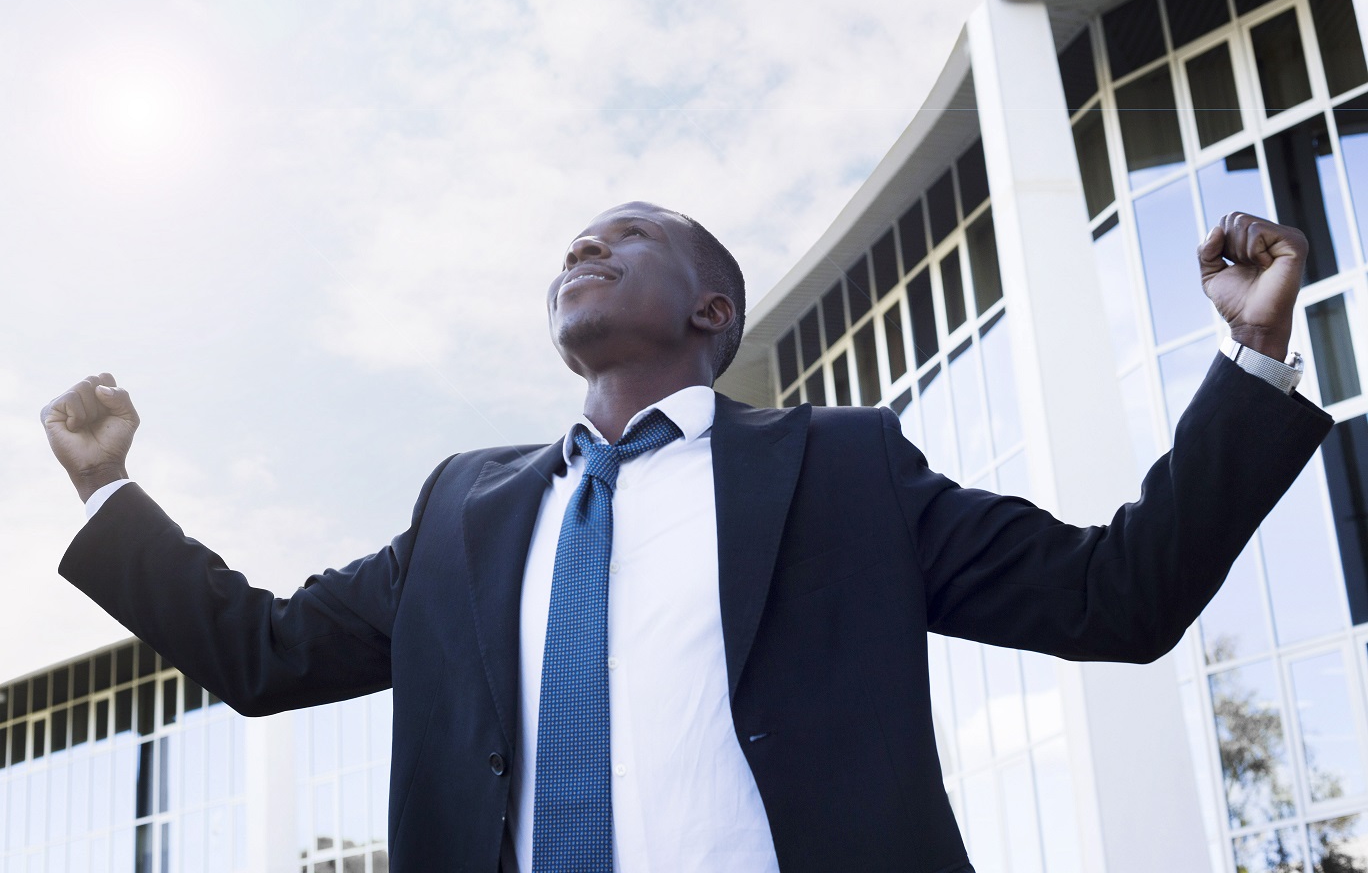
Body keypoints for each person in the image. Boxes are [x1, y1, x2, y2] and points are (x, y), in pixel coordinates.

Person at [43, 201, 1333, 872]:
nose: (584, 245)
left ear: (710, 307)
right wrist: (110, 493)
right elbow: (266, 656)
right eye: (572, 244)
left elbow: (1118, 594)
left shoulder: (842, 472)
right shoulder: (461, 511)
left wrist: (1254, 356)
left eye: (629, 235)